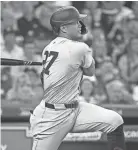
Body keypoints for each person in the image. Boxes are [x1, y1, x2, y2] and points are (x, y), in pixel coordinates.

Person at [30, 6, 126, 150]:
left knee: (115, 121)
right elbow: (90, 71)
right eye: (76, 22)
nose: (80, 25)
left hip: (75, 109)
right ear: (63, 28)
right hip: (52, 117)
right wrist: (87, 47)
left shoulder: (48, 47)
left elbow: (45, 77)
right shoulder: (80, 48)